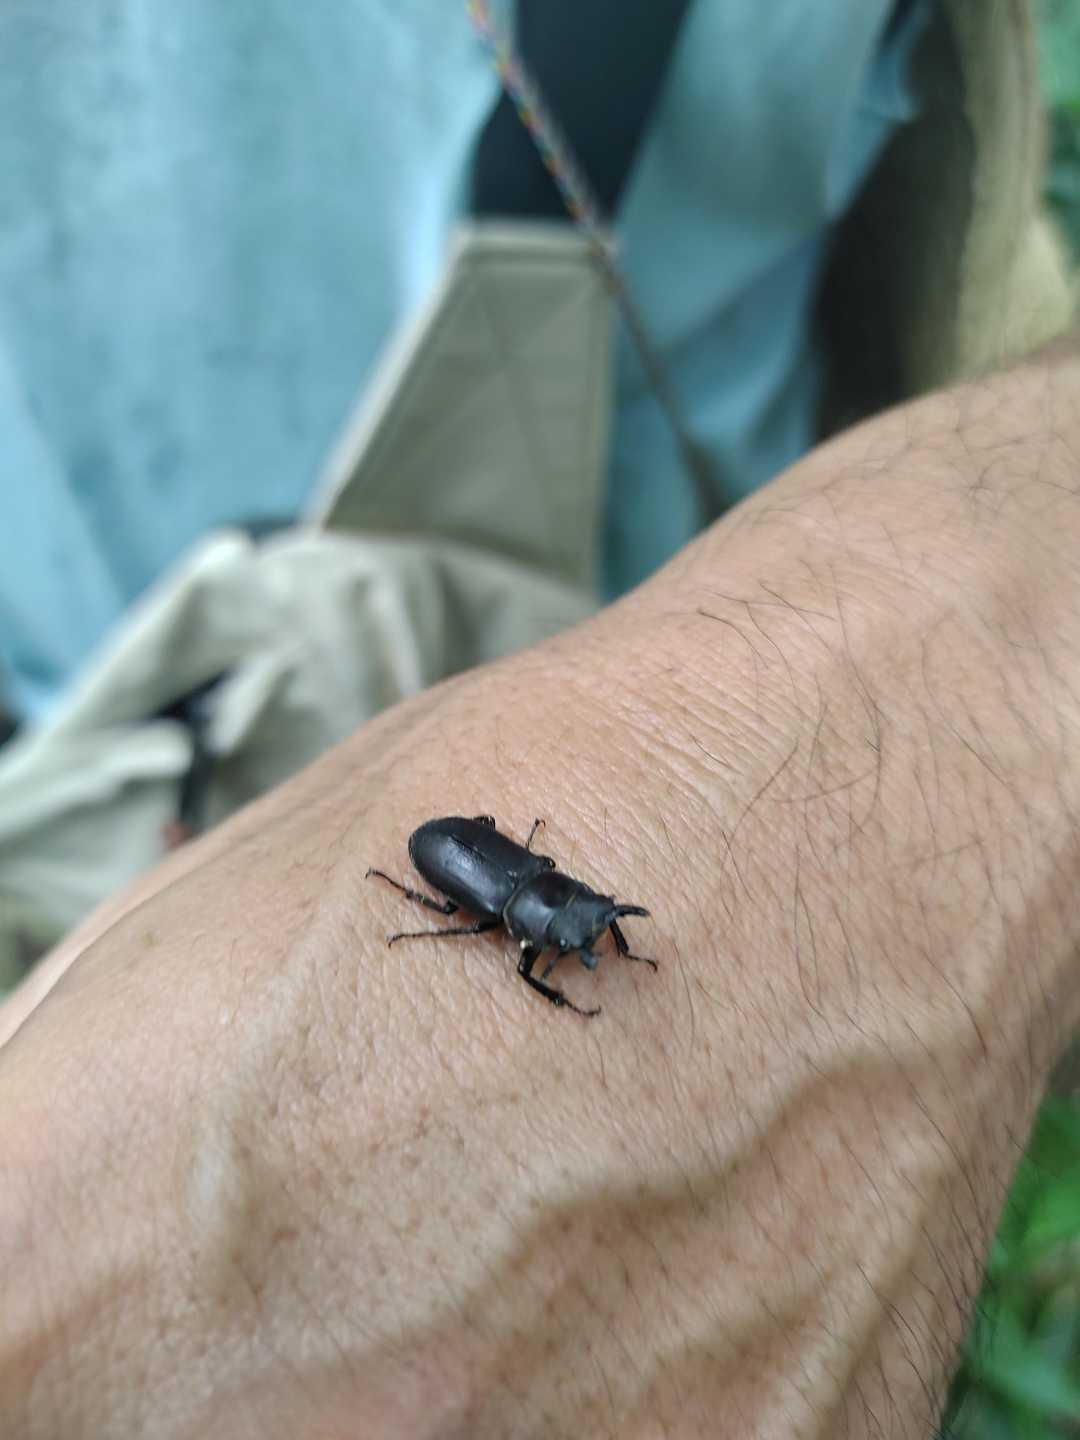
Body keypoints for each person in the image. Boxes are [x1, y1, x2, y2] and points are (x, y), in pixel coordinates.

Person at [1, 2, 1078, 1435]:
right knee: (413, 899)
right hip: (121, 693)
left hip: (646, 526)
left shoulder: (547, 902)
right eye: (577, 930)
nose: (581, 936)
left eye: (576, 929)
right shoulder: (510, 921)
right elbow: (496, 897)